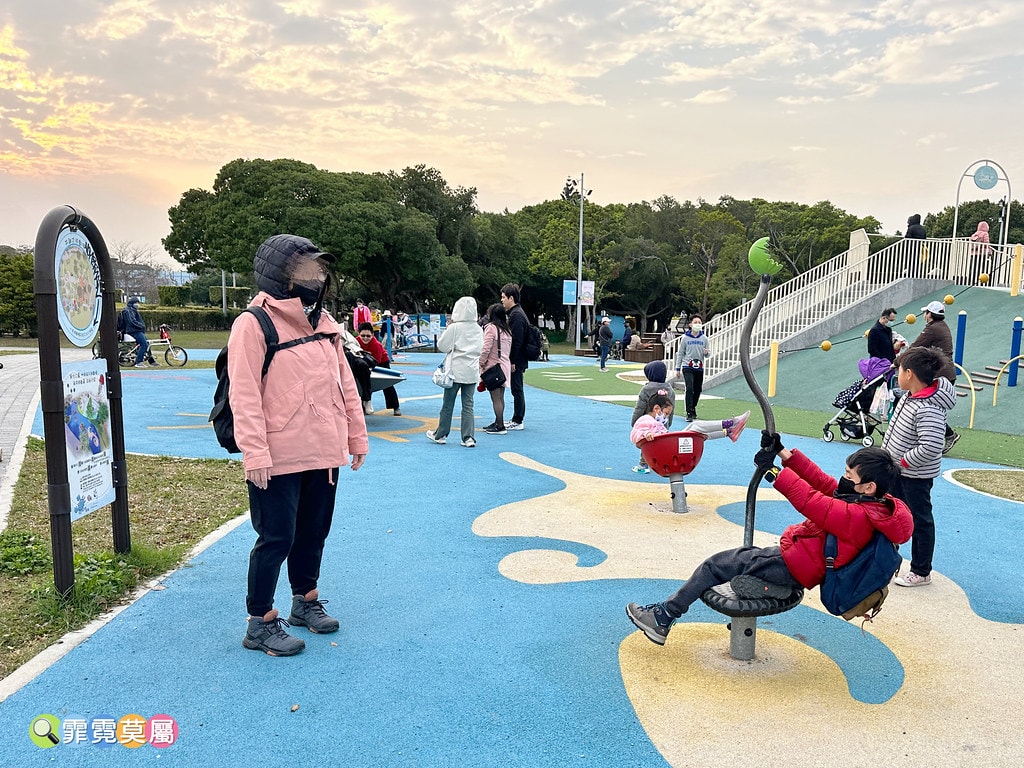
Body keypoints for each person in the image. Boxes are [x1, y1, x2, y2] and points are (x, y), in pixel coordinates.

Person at [626, 438, 913, 645]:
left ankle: (664, 617)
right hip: (800, 561)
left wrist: (773, 473)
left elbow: (811, 501)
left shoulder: (858, 517)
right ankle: (768, 584)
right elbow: (822, 483)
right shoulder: (873, 504)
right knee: (741, 560)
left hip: (792, 564)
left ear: (868, 486)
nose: (843, 478)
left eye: (849, 475)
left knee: (715, 565)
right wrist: (782, 452)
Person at [229, 234, 368, 657]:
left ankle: (305, 600)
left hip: (323, 451)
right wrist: (254, 452)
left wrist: (356, 436)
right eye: (307, 270)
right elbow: (244, 394)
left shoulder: (325, 323)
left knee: (313, 532)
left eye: (320, 270)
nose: (317, 277)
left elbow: (346, 384)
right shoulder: (254, 324)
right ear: (280, 275)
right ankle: (260, 622)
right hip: (278, 455)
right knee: (276, 537)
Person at [881, 346, 956, 589]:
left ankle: (921, 570)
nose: (897, 376)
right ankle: (885, 561)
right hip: (897, 471)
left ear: (909, 374)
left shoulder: (929, 407)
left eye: (899, 371)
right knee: (889, 514)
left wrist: (903, 461)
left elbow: (932, 446)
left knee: (920, 521)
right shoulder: (910, 397)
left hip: (914, 476)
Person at [427, 296, 483, 448]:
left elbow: (442, 346)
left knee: (448, 404)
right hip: (471, 371)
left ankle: (441, 434)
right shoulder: (478, 329)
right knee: (468, 405)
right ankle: (468, 437)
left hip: (454, 371)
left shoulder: (455, 327)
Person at [910, 301, 959, 452]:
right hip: (946, 373)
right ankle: (943, 435)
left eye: (925, 313)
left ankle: (948, 434)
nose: (924, 315)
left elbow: (916, 347)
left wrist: (898, 362)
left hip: (941, 374)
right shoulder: (941, 326)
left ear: (930, 314)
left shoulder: (932, 329)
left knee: (927, 407)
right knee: (930, 407)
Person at [630, 391, 749, 452]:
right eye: (666, 413)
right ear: (656, 408)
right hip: (667, 448)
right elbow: (634, 433)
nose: (666, 417)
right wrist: (646, 434)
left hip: (667, 445)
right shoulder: (645, 419)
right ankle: (731, 423)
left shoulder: (655, 422)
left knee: (698, 433)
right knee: (695, 426)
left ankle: (729, 432)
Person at [355, 321, 401, 416]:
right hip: (363, 363)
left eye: (368, 336)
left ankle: (395, 407)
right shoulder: (355, 342)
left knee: (387, 384)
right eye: (363, 335)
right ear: (358, 334)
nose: (365, 338)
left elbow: (376, 361)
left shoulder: (376, 345)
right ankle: (364, 406)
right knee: (363, 383)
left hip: (381, 362)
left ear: (372, 335)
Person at [480, 303, 512, 435]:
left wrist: (481, 363)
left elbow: (486, 348)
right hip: (504, 365)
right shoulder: (507, 330)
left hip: (493, 366)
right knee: (500, 397)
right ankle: (498, 421)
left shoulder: (491, 328)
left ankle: (500, 425)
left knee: (495, 398)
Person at [500, 284, 529, 430]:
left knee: (517, 388)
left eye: (504, 297)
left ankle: (518, 420)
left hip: (517, 359)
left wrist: (512, 361)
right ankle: (517, 418)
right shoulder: (516, 313)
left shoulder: (516, 315)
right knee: (516, 388)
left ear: (511, 298)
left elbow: (516, 341)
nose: (502, 300)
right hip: (518, 357)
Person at [674, 314, 710, 421]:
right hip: (687, 366)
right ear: (690, 324)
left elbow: (708, 354)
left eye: (699, 322)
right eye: (695, 322)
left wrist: (706, 353)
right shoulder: (685, 338)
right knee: (689, 388)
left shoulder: (704, 339)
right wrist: (677, 368)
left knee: (698, 389)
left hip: (699, 367)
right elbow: (680, 353)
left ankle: (693, 407)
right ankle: (689, 411)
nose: (697, 324)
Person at [119, 297, 154, 367]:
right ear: (132, 303)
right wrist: (141, 326)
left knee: (147, 344)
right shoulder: (128, 311)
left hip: (137, 330)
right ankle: (139, 362)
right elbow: (132, 321)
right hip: (134, 331)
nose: (138, 304)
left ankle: (151, 361)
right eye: (136, 303)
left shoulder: (133, 310)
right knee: (144, 344)